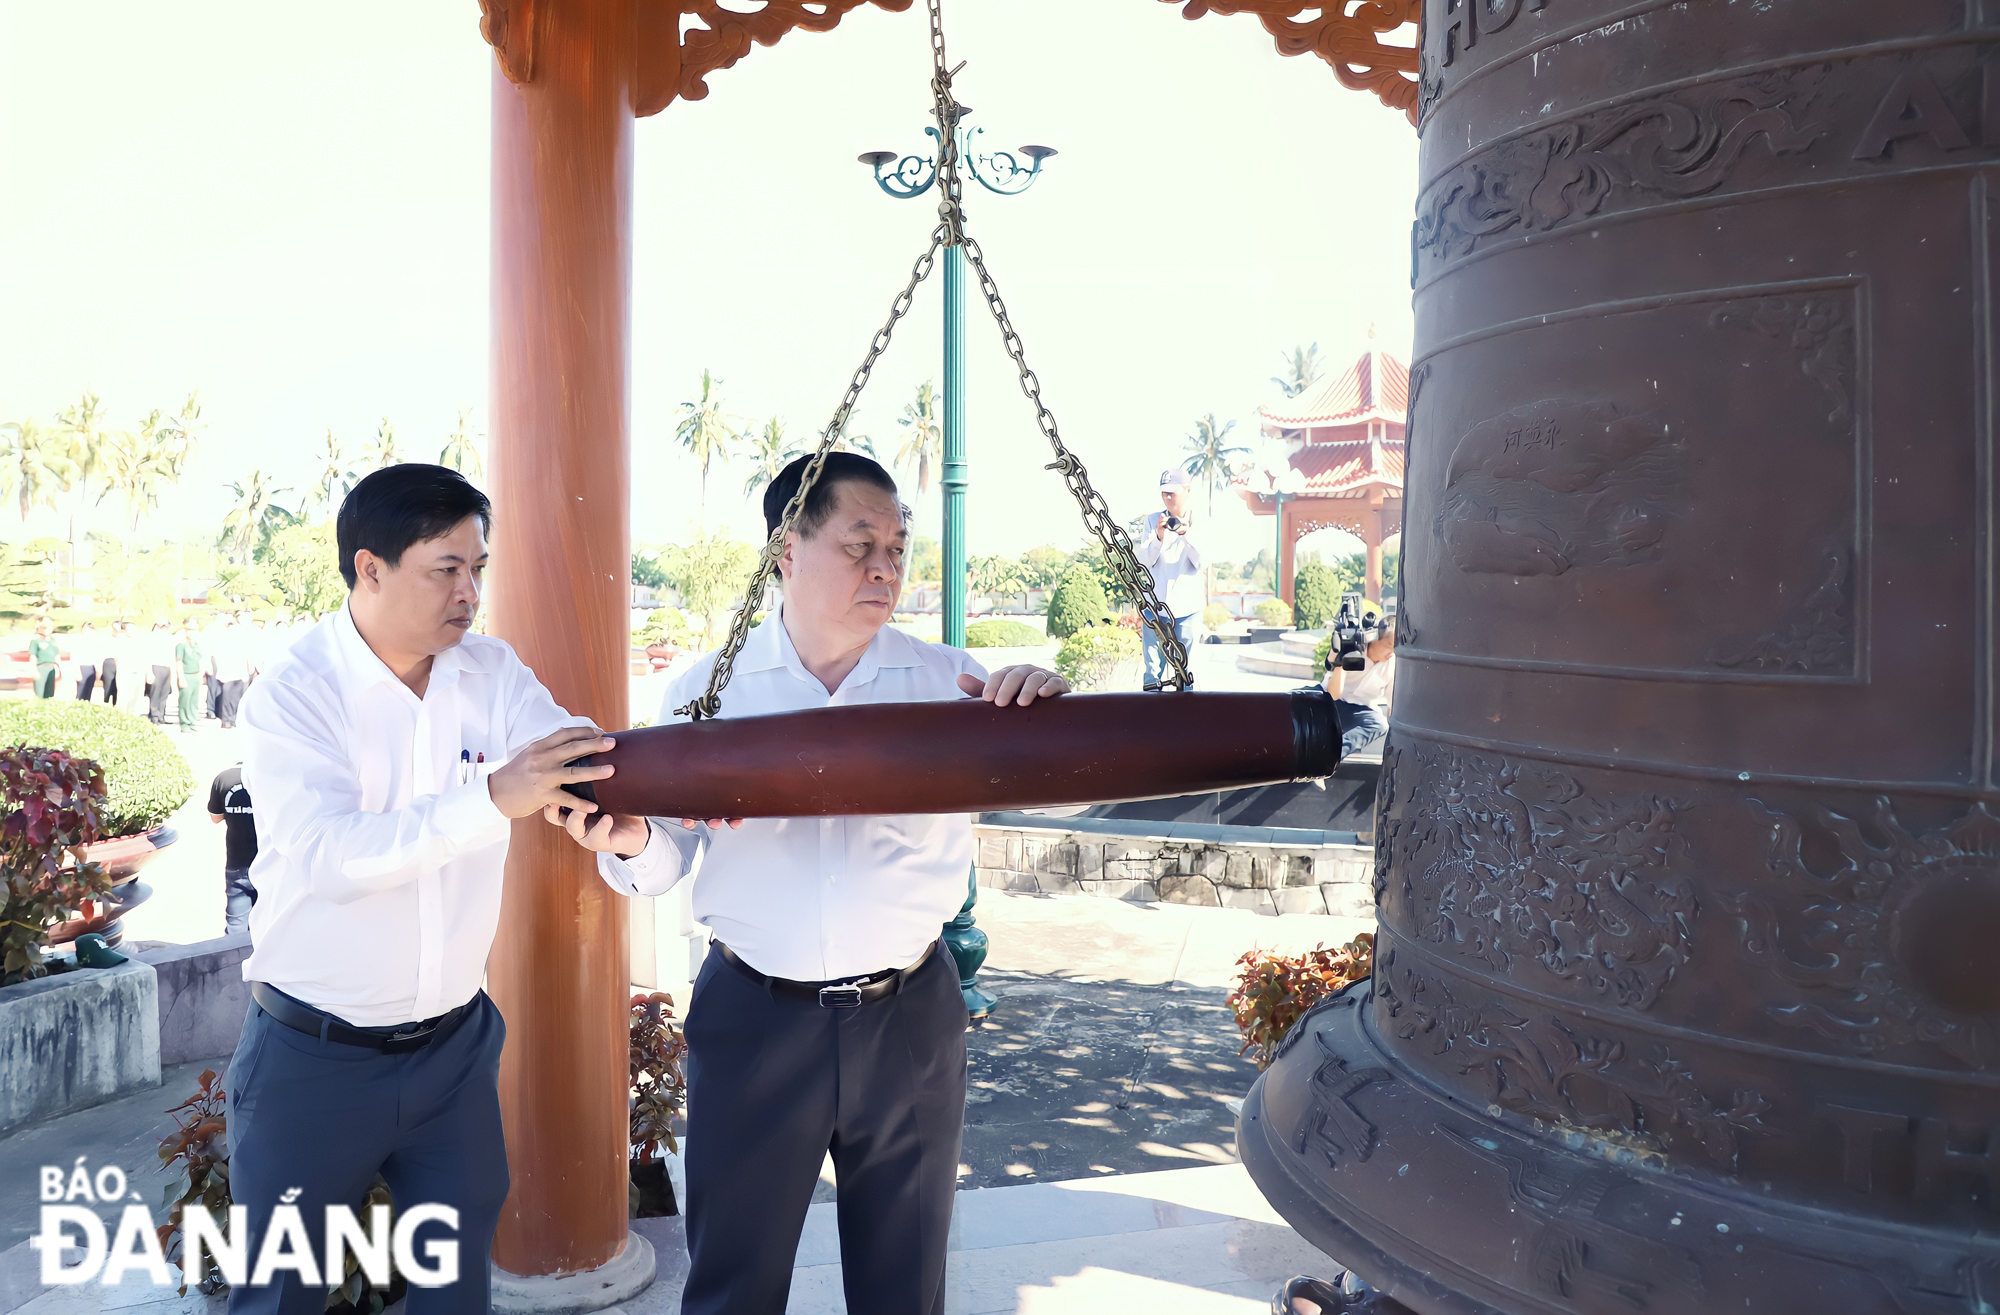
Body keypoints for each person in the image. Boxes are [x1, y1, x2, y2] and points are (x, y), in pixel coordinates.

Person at [551, 452, 1071, 1315]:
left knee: (903, 1283)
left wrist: (1047, 705)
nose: (887, 569)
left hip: (908, 1014)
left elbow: (1057, 765)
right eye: (860, 543)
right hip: (757, 1018)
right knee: (733, 1286)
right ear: (787, 551)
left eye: (899, 548)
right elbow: (658, 856)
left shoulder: (955, 687)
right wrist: (633, 834)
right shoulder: (708, 694)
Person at [228, 463, 610, 1315]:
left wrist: (693, 791)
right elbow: (330, 856)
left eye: (478, 568)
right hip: (311, 1059)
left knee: (455, 1294)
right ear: (370, 568)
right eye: (447, 568)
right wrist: (491, 797)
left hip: (452, 1057)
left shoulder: (492, 673)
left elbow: (579, 764)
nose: (469, 591)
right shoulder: (295, 694)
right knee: (278, 1296)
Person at [1134, 467, 1205, 686]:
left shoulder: (1200, 520)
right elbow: (1144, 562)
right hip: (1156, 609)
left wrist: (1186, 534)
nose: (1167, 497)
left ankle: (1188, 717)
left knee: (1187, 674)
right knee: (1152, 675)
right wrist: (1159, 535)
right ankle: (1149, 718)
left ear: (1187, 491)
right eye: (1164, 492)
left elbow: (1202, 561)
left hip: (1188, 609)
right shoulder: (1153, 520)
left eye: (1172, 492)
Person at [1323, 608, 1395, 756]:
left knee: (1380, 724)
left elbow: (1391, 706)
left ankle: (1330, 756)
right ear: (1376, 637)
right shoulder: (1353, 649)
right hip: (1329, 702)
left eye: (1395, 648)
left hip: (1360, 711)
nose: (1391, 652)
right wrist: (1340, 661)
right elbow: (1333, 695)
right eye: (1389, 646)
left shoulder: (1393, 664)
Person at [208, 763, 258, 932]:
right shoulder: (271, 776)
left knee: (236, 926)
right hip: (268, 863)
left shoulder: (224, 779)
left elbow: (215, 818)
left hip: (236, 864)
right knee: (271, 924)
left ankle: (235, 958)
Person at [209, 615, 254, 729]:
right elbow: (218, 657)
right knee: (227, 698)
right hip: (227, 674)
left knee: (237, 698)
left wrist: (248, 670)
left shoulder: (242, 641)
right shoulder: (223, 641)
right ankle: (226, 720)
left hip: (239, 672)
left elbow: (247, 656)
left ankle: (233, 719)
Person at [173, 620, 203, 733]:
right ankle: (184, 723)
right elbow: (179, 662)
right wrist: (181, 677)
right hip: (186, 675)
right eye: (190, 630)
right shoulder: (181, 645)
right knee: (185, 701)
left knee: (194, 701)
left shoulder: (196, 645)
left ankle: (192, 721)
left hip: (195, 675)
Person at [146, 621, 175, 724]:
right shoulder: (152, 637)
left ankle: (161, 716)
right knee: (155, 692)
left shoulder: (170, 638)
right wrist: (149, 671)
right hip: (156, 666)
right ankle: (154, 716)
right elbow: (147, 656)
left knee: (164, 693)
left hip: (167, 667)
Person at [27, 619, 61, 699]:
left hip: (51, 668)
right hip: (41, 668)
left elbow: (56, 655)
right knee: (40, 694)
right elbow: (33, 656)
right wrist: (34, 670)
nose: (47, 630)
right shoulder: (36, 641)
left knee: (49, 694)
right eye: (45, 627)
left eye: (49, 628)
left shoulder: (53, 641)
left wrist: (59, 669)